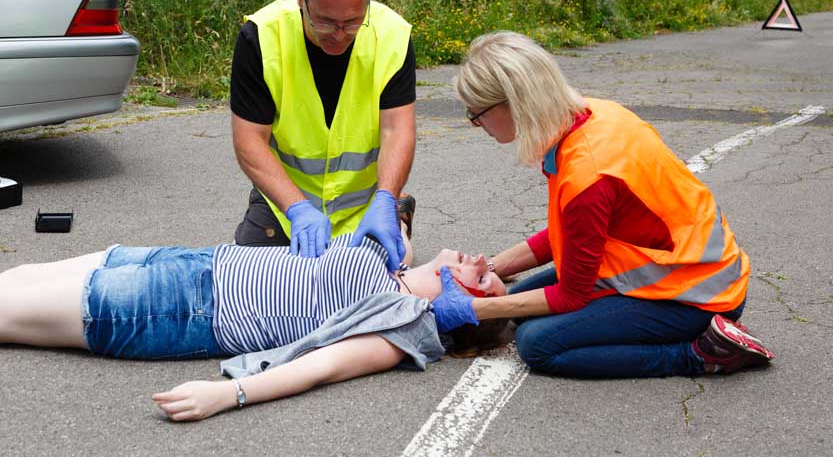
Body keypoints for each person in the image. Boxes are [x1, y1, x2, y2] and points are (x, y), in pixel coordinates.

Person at [430, 31, 775, 378]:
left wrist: (473, 306)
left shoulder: (588, 172)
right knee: (517, 306)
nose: (476, 124)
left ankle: (702, 354)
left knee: (537, 344)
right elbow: (574, 231)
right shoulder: (593, 115)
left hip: (696, 297)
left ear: (514, 103)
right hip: (680, 269)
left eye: (477, 113)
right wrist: (490, 267)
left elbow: (571, 296)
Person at [0, 232, 506, 422]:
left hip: (176, 309)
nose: (481, 258)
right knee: (16, 278)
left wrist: (228, 395)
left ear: (458, 306)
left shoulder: (398, 326)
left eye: (481, 277)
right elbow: (400, 220)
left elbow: (321, 368)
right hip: (192, 258)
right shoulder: (397, 265)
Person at [230, 0, 416, 272]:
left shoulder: (392, 36)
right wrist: (297, 209)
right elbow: (249, 142)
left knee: (377, 292)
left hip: (364, 209)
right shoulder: (261, 37)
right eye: (326, 22)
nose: (340, 35)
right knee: (252, 279)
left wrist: (385, 198)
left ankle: (396, 210)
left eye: (353, 22)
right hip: (285, 206)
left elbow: (397, 130)